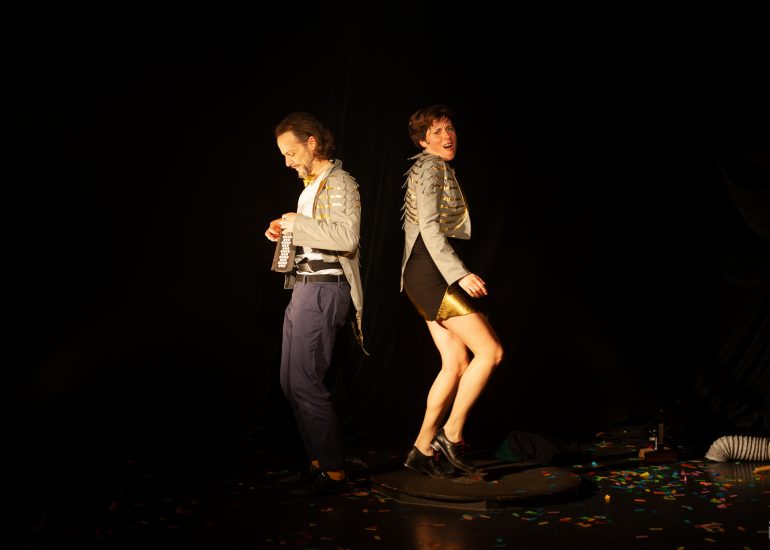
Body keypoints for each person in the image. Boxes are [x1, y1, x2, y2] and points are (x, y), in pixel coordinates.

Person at [400, 104, 504, 478]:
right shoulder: (431, 167)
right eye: (437, 131)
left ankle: (421, 448)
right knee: (490, 352)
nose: (447, 136)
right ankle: (451, 434)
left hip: (420, 273)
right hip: (430, 273)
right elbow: (429, 228)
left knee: (456, 362)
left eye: (449, 128)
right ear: (423, 140)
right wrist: (459, 274)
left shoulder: (428, 167)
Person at [265, 111, 364, 496]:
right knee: (290, 382)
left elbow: (346, 238)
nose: (287, 162)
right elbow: (315, 234)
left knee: (305, 381)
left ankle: (334, 473)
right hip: (303, 288)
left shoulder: (340, 183)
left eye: (291, 153)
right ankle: (319, 463)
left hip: (324, 289)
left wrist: (297, 224)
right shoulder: (311, 187)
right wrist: (284, 229)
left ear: (312, 142)